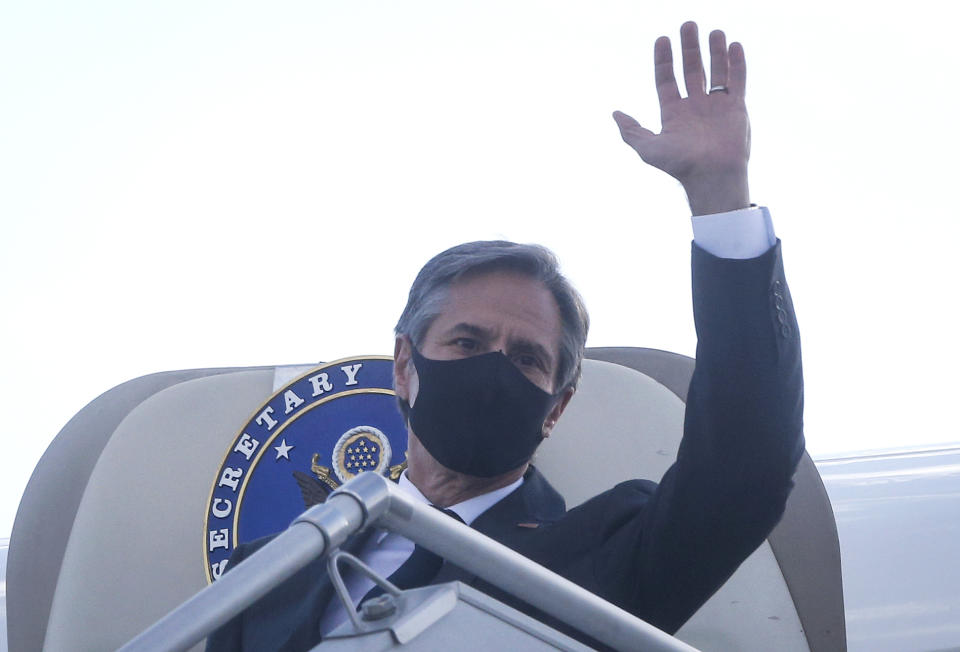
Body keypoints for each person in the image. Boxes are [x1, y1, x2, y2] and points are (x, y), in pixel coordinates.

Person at [206, 21, 804, 651]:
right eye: (466, 342)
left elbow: (746, 466)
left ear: (558, 405)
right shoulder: (266, 575)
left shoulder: (604, 558)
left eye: (525, 358)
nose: (492, 368)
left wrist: (720, 198)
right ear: (404, 366)